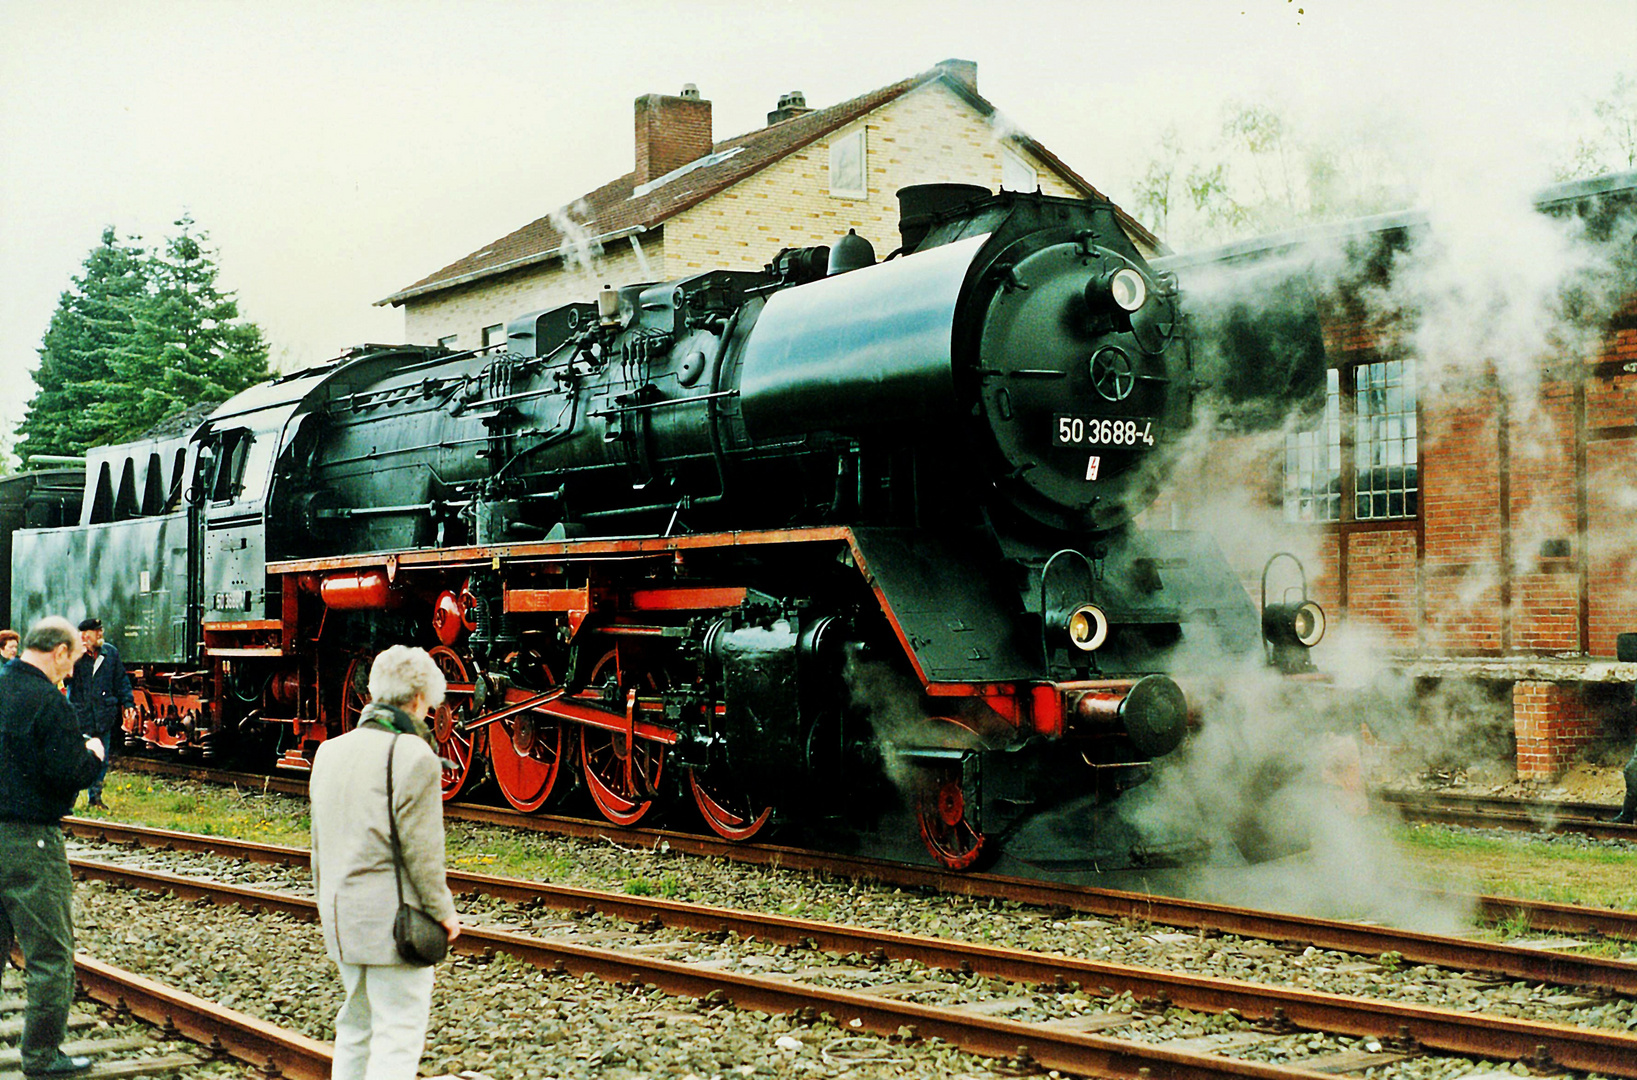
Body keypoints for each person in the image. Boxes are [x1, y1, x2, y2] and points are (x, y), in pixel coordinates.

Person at [309, 646, 460, 1080]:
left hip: (343, 921)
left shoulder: (329, 753)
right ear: (417, 700)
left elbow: (319, 849)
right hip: (396, 927)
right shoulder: (414, 757)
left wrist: (327, 907)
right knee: (398, 1034)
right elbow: (423, 853)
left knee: (355, 1029)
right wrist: (444, 914)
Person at [0, 617, 106, 1077]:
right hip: (30, 840)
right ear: (60, 651)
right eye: (74, 660)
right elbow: (69, 771)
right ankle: (42, 1056)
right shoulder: (48, 701)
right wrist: (93, 756)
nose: (72, 671)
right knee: (49, 955)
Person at [65, 619, 132, 810]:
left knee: (101, 760)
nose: (100, 634)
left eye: (100, 630)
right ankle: (69, 800)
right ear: (84, 635)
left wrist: (128, 703)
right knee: (77, 758)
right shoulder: (74, 655)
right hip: (80, 716)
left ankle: (96, 798)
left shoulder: (110, 653)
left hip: (103, 716)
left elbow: (121, 680)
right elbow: (62, 678)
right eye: (96, 632)